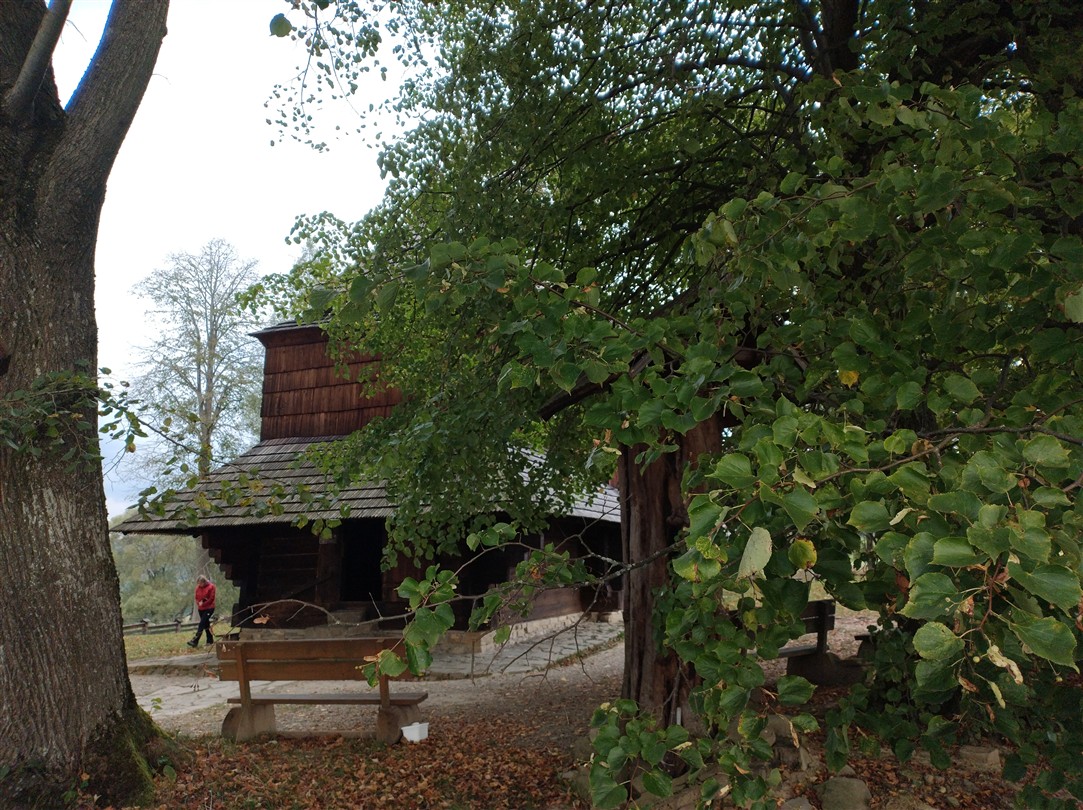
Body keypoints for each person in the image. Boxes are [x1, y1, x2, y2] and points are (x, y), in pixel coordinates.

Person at [187, 574, 216, 648]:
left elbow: (211, 598)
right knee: (206, 624)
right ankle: (210, 640)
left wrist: (204, 603)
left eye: (200, 583)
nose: (199, 585)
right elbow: (196, 597)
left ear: (204, 582)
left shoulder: (211, 587)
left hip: (209, 608)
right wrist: (198, 603)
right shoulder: (198, 588)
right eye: (198, 583)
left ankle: (195, 640)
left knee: (202, 624)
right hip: (201, 609)